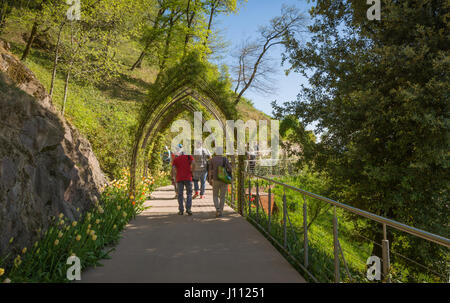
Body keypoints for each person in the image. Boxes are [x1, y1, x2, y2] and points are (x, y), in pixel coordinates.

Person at [208, 146, 232, 218]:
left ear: (216, 152)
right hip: (224, 180)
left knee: (215, 195)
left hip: (215, 180)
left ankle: (217, 209)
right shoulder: (225, 159)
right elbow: (230, 169)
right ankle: (221, 211)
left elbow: (210, 171)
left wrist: (209, 179)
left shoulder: (212, 160)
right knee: (222, 196)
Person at [172, 149, 194, 216]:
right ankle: (188, 209)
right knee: (189, 194)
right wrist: (192, 171)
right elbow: (194, 163)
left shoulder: (176, 159)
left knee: (180, 194)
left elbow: (173, 168)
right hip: (188, 177)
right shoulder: (189, 157)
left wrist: (173, 177)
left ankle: (181, 210)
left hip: (179, 178)